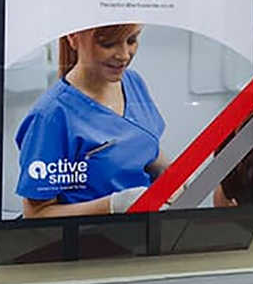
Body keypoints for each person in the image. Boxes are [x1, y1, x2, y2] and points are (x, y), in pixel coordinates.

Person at [15, 23, 168, 218]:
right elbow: (36, 214)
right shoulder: (52, 116)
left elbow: (144, 146)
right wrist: (112, 206)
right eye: (108, 44)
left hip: (145, 226)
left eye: (131, 40)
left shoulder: (132, 82)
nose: (124, 55)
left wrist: (175, 176)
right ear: (73, 37)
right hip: (90, 233)